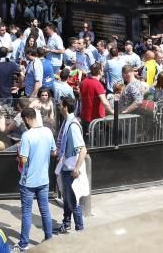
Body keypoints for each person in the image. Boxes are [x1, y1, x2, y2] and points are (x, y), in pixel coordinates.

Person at [17, 106, 55, 252]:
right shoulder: (48, 131)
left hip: (28, 181)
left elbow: (24, 160)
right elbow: (53, 151)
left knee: (26, 212)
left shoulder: (27, 136)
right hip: (43, 179)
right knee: (45, 210)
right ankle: (49, 238)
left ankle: (24, 244)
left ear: (26, 119)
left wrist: (20, 157)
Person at [55, 96, 87, 233]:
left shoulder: (72, 126)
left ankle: (80, 228)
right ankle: (66, 223)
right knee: (67, 199)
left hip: (70, 169)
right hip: (65, 166)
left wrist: (76, 168)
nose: (59, 107)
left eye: (61, 105)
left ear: (66, 107)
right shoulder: (67, 122)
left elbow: (83, 149)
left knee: (73, 201)